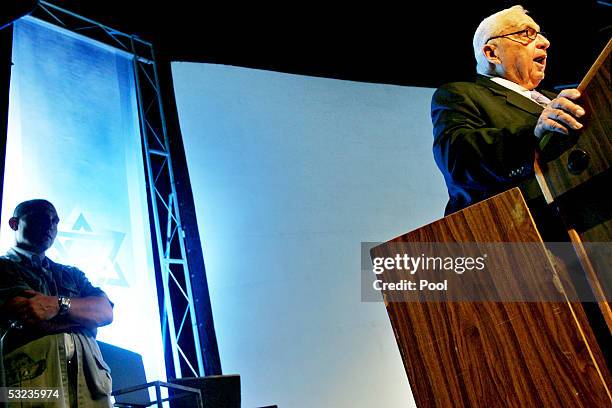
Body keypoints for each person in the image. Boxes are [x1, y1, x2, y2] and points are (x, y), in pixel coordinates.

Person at [432, 5, 585, 217]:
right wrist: (534, 132)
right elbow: (459, 161)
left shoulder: (555, 99)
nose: (545, 42)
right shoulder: (460, 94)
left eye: (540, 34)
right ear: (492, 53)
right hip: (518, 232)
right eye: (527, 33)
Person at [0, 199, 114, 407]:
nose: (50, 225)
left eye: (55, 221)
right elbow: (34, 315)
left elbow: (105, 312)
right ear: (14, 223)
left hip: (90, 383)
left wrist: (56, 305)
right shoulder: (2, 268)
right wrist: (85, 318)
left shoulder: (71, 274)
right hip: (26, 384)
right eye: (41, 218)